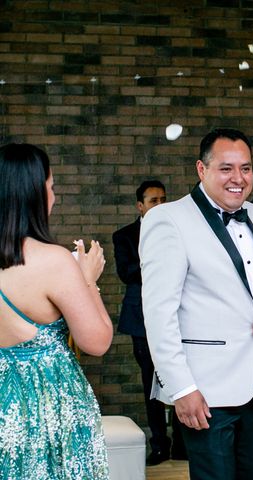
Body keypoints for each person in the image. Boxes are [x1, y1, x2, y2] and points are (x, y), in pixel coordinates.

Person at [139, 128, 253, 480]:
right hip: (204, 393)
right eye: (226, 168)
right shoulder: (168, 220)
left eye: (246, 168)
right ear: (201, 169)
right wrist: (181, 389)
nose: (238, 179)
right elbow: (159, 314)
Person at [0, 143, 113, 479]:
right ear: (34, 194)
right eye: (51, 188)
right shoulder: (52, 261)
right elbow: (96, 342)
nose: (55, 197)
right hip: (51, 411)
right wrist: (87, 280)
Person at [113, 180, 186, 465]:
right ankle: (159, 445)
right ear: (140, 206)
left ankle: (182, 446)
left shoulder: (177, 231)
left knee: (180, 377)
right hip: (140, 318)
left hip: (178, 317)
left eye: (164, 199)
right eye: (153, 200)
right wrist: (158, 264)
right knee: (150, 382)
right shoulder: (125, 235)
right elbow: (127, 272)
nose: (160, 204)